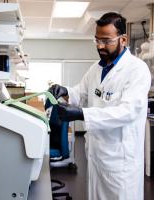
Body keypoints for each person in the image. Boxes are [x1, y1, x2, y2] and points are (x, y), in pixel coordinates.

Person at [48, 12, 151, 200]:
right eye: (97, 40)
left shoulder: (137, 70)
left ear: (123, 39)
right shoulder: (96, 68)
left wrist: (82, 114)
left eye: (106, 41)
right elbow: (82, 92)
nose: (100, 46)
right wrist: (65, 91)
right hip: (96, 157)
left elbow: (127, 112)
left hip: (120, 162)